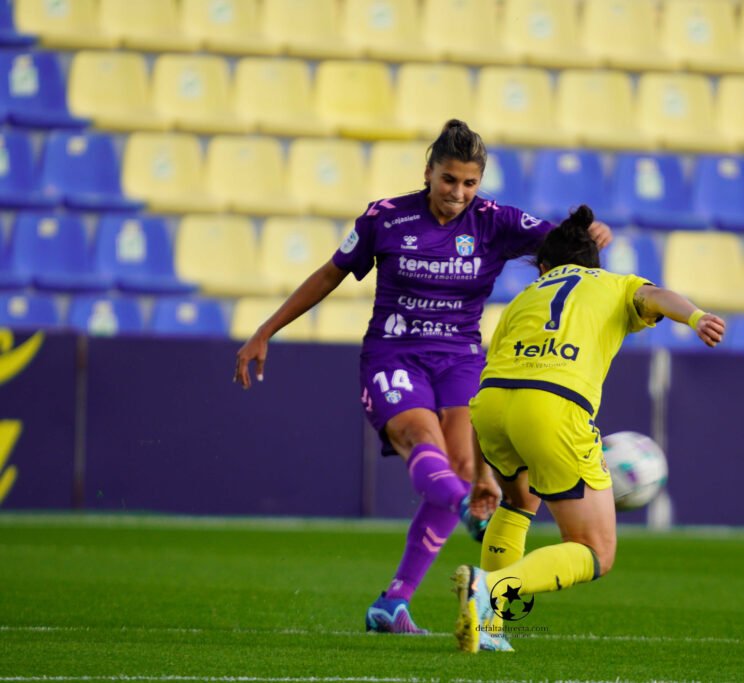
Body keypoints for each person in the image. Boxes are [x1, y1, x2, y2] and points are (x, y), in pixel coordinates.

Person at [233, 120, 613, 639]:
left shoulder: (493, 220)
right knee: (421, 440)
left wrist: (592, 233)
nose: (458, 193)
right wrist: (266, 330)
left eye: (469, 183)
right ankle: (464, 506)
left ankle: (392, 603)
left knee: (459, 464)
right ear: (429, 172)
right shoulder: (385, 218)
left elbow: (564, 242)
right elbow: (329, 273)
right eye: (449, 180)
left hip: (459, 360)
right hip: (394, 354)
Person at [452, 204, 726, 653]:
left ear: (545, 267)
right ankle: (490, 586)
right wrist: (695, 317)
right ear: (594, 262)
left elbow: (487, 377)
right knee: (595, 550)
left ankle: (492, 628)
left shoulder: (525, 296)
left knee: (519, 502)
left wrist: (483, 473)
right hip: (552, 407)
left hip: (492, 407)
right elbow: (656, 297)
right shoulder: (613, 283)